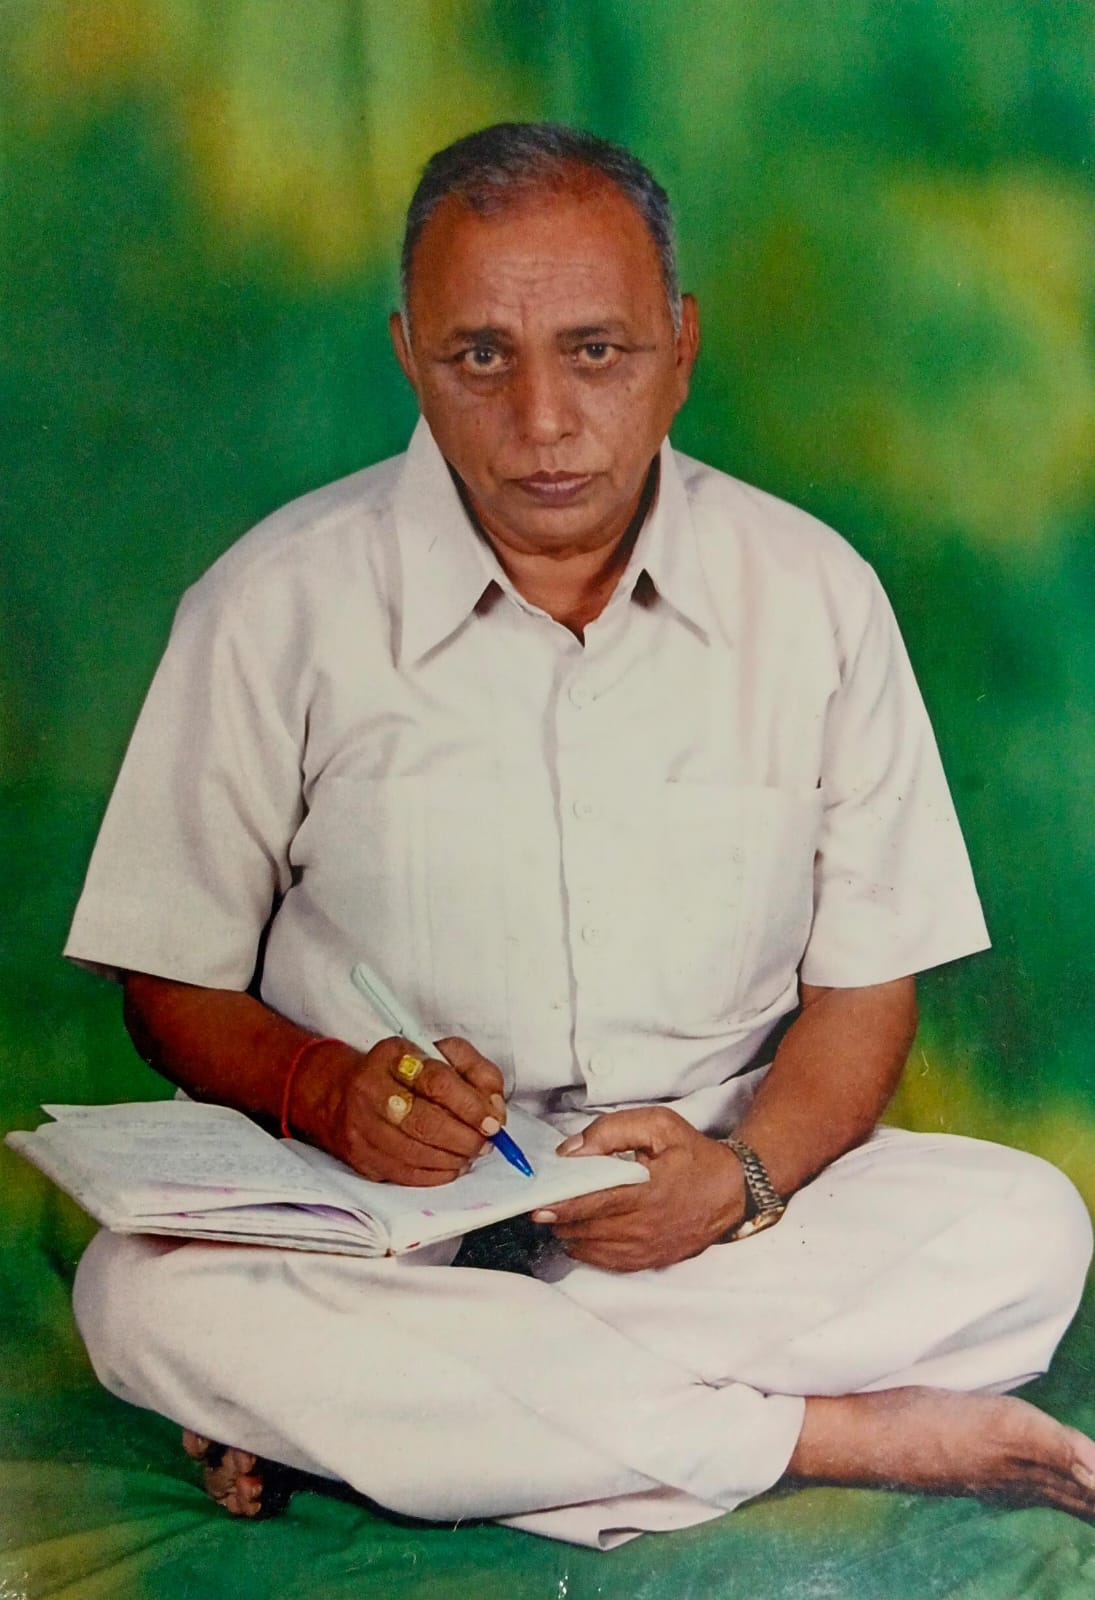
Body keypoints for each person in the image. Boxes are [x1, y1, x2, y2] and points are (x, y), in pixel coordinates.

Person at [66, 123, 1095, 1550]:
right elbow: (167, 980)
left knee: (1029, 1228)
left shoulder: (816, 598)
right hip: (377, 1229)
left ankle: (404, 1430)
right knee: (137, 1292)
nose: (542, 420)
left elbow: (868, 988)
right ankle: (823, 1433)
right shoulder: (270, 605)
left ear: (680, 347)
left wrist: (736, 1184)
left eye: (596, 352)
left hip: (703, 1217)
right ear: (409, 352)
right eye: (479, 355)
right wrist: (323, 1086)